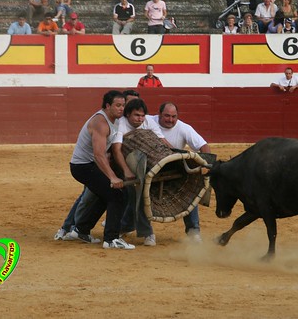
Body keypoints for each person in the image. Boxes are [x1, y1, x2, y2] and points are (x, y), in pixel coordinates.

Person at [55, 90, 141, 242]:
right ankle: (111, 239)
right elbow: (99, 155)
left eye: (123, 105)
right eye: (118, 105)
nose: (122, 108)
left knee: (105, 195)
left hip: (91, 165)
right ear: (108, 106)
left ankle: (81, 230)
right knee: (116, 195)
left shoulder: (115, 119)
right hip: (83, 166)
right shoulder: (101, 122)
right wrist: (113, 177)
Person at [112, 98, 171, 246]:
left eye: (142, 115)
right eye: (136, 115)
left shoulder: (149, 122)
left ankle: (124, 227)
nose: (140, 119)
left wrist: (177, 155)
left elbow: (162, 141)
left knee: (137, 197)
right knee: (136, 194)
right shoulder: (121, 123)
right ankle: (147, 232)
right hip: (119, 164)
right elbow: (116, 150)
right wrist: (125, 170)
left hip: (145, 164)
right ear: (127, 115)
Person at [150, 102, 211, 242]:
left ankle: (193, 231)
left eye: (173, 116)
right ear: (159, 114)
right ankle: (145, 231)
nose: (170, 120)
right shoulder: (149, 121)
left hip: (175, 168)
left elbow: (204, 146)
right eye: (166, 116)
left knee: (191, 191)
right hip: (150, 168)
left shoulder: (184, 128)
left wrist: (207, 163)